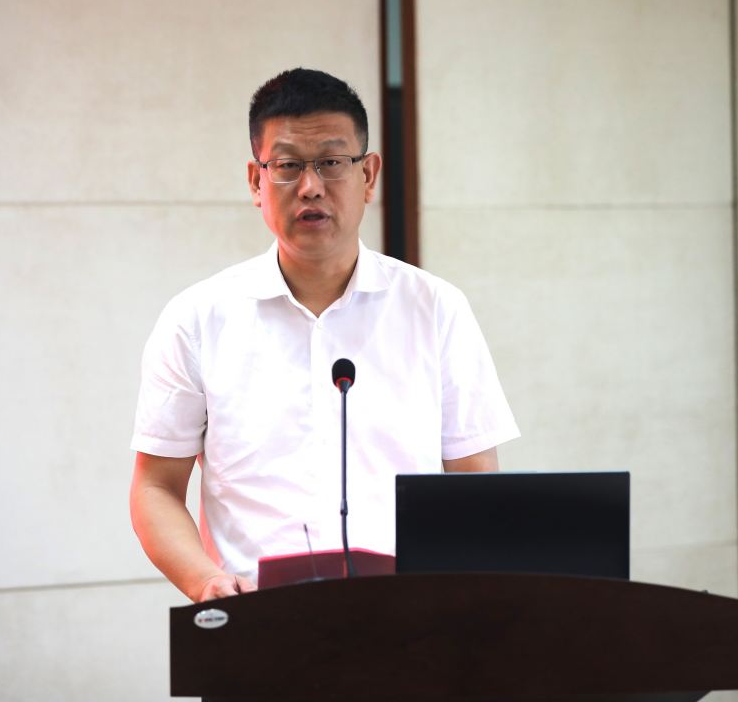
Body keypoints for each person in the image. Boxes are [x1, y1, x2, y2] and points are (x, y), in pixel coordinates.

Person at [129, 68, 519, 602]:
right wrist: (206, 580)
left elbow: (475, 484)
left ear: (369, 175)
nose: (310, 186)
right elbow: (155, 487)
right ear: (256, 182)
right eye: (287, 165)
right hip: (256, 618)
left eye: (332, 163)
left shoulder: (435, 310)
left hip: (409, 618)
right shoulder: (197, 320)